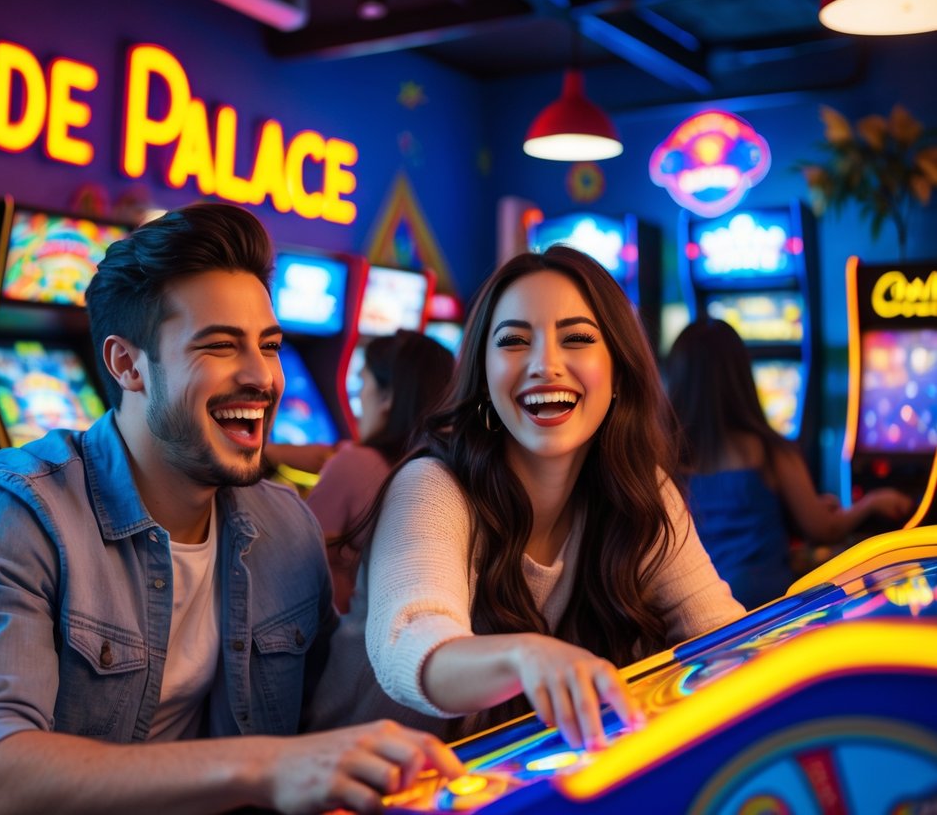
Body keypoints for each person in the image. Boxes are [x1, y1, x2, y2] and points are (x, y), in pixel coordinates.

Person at [0, 203, 461, 815]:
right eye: (220, 346)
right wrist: (260, 768)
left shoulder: (285, 526)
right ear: (127, 364)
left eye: (269, 346)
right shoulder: (12, 514)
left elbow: (329, 723)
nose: (262, 377)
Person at [308, 246, 745, 752]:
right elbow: (411, 644)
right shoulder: (432, 485)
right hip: (358, 792)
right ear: (484, 374)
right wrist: (525, 658)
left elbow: (722, 634)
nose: (545, 365)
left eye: (577, 338)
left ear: (619, 372)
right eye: (514, 341)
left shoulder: (639, 490)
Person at [665, 318, 913, 608]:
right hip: (763, 611)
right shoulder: (770, 451)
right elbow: (824, 529)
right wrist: (871, 502)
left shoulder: (663, 461)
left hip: (698, 612)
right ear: (741, 377)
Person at [307, 329, 455, 613]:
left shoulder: (354, 464)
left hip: (346, 642)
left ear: (388, 396)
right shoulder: (443, 468)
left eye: (362, 381)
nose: (359, 396)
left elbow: (298, 564)